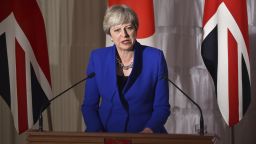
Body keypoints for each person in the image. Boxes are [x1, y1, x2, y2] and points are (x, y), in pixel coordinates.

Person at [81, 4, 170, 133]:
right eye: (117, 30)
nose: (124, 34)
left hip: (146, 136)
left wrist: (148, 132)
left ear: (136, 29)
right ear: (109, 34)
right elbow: (89, 106)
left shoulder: (155, 58)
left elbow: (162, 107)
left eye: (129, 28)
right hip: (105, 135)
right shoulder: (98, 58)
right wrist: (99, 136)